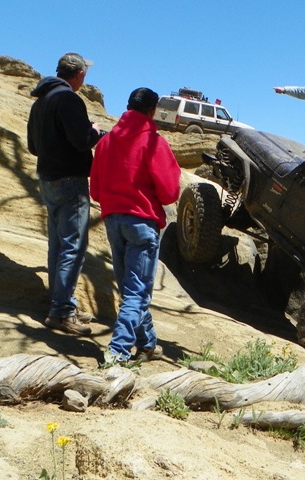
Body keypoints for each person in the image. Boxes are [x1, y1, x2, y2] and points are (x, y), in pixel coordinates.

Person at [89, 87, 181, 363]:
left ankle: (147, 342)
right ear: (152, 111)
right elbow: (169, 192)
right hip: (142, 221)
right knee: (137, 291)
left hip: (113, 219)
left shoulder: (106, 142)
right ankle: (117, 351)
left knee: (130, 287)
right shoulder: (154, 143)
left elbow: (95, 191)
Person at [27, 52, 103, 336]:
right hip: (70, 181)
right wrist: (95, 131)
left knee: (57, 245)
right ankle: (61, 312)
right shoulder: (69, 99)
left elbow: (33, 147)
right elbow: (82, 140)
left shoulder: (41, 102)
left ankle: (61, 303)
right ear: (79, 74)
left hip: (47, 179)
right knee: (73, 246)